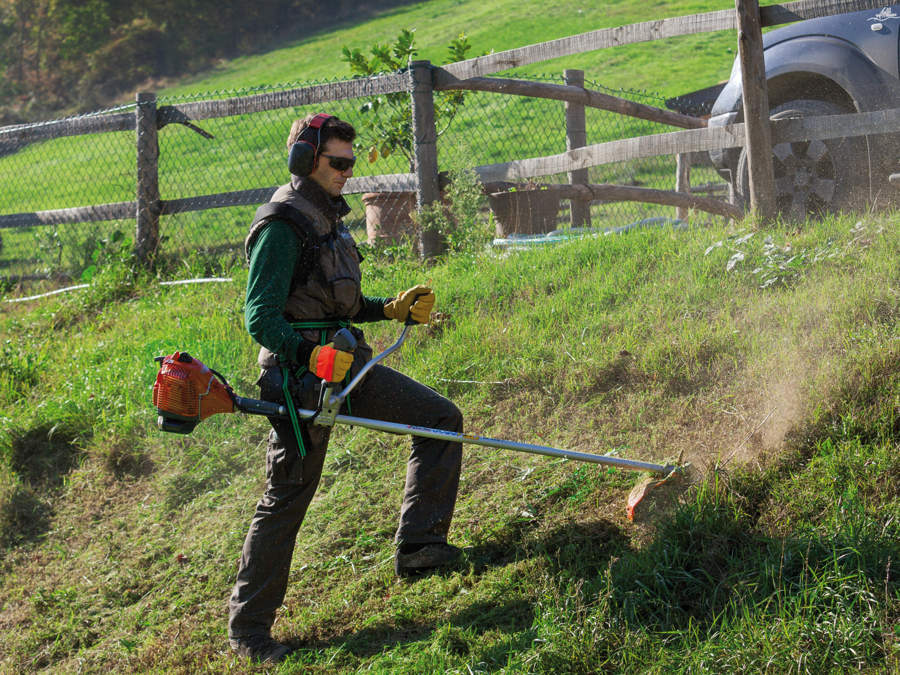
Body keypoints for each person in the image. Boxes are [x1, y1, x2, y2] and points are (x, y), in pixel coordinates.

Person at [228, 113, 463, 664]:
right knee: (288, 497)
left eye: (351, 164)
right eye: (338, 163)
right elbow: (259, 318)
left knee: (440, 420)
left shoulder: (328, 219)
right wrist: (309, 354)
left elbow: (343, 304)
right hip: (300, 382)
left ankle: (421, 548)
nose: (348, 174)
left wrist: (389, 309)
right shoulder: (281, 225)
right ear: (304, 159)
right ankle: (248, 632)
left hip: (347, 365)